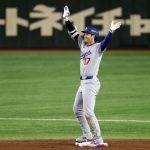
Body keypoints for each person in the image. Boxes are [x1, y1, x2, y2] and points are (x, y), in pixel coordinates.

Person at [63, 6, 121, 147]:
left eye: (87, 34)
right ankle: (87, 136)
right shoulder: (82, 45)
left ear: (93, 35)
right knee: (77, 109)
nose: (84, 35)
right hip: (83, 84)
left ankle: (98, 139)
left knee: (88, 113)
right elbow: (73, 32)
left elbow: (106, 42)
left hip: (91, 83)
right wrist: (66, 19)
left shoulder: (98, 48)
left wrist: (111, 31)